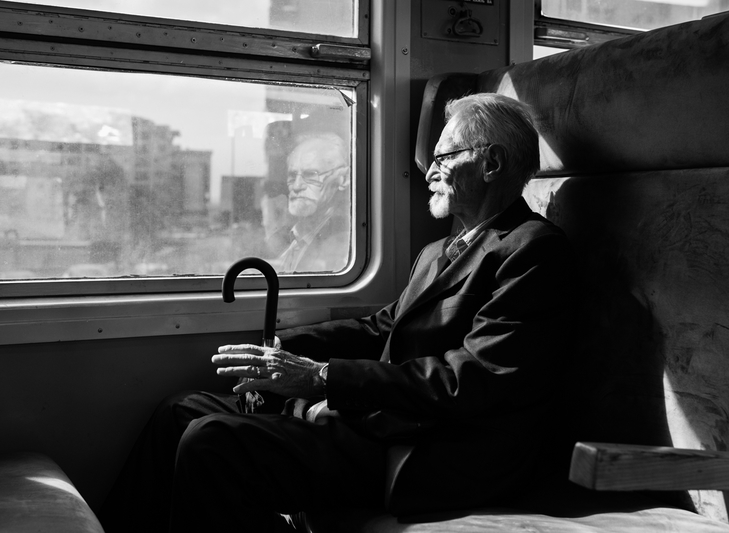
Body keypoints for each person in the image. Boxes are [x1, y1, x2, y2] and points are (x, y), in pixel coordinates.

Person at [99, 93, 578, 533]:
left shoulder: (532, 252)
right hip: (376, 419)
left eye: (442, 158)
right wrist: (285, 351)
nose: (428, 172)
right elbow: (383, 327)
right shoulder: (438, 251)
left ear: (491, 162)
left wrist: (324, 379)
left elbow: (473, 379)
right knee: (178, 413)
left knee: (212, 441)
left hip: (431, 447)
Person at [269, 132, 351, 273]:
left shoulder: (345, 240)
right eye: (292, 176)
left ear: (343, 179)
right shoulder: (287, 237)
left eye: (311, 175)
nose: (296, 186)